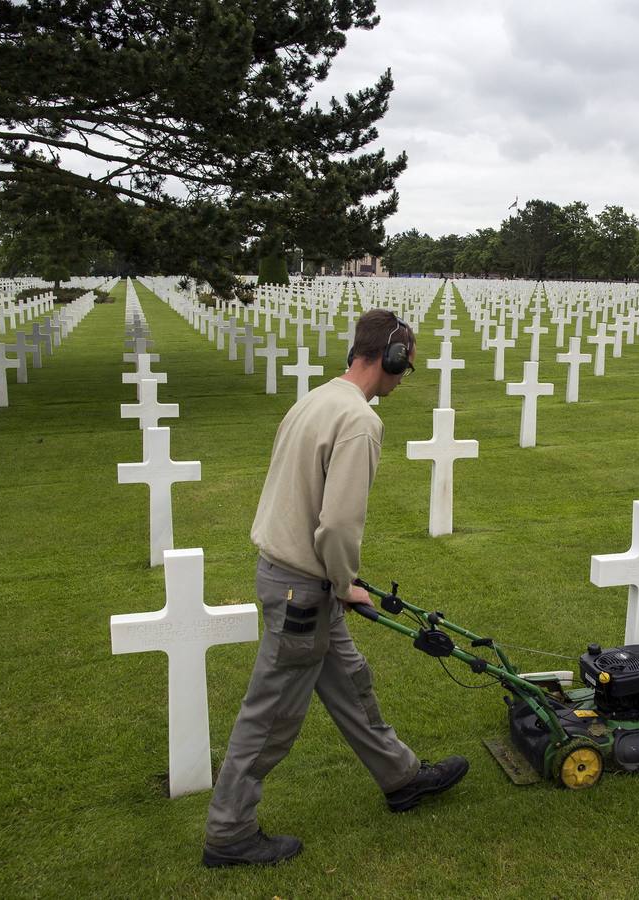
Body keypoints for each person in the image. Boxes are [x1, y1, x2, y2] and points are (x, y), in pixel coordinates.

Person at [202, 309, 469, 869]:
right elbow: (339, 523)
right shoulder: (360, 422)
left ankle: (402, 778)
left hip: (292, 575)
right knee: (271, 714)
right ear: (391, 359)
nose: (405, 377)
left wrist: (335, 583)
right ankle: (229, 833)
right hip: (306, 587)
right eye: (407, 367)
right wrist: (343, 583)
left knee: (349, 679)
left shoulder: (316, 398)